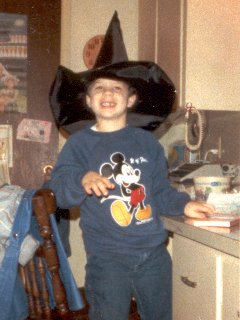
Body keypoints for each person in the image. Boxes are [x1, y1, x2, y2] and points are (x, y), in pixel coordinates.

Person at [46, 12, 215, 320]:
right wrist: (81, 178)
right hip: (107, 259)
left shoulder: (148, 143)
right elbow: (59, 190)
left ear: (131, 99)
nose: (108, 93)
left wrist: (185, 205)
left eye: (117, 88)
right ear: (88, 100)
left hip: (153, 255)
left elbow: (161, 191)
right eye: (99, 88)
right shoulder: (79, 144)